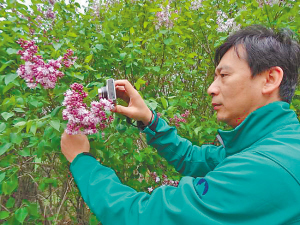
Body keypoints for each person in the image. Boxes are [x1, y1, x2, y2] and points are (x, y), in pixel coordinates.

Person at [61, 25, 300, 224]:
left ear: (270, 79)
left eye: (224, 76)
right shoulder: (273, 143)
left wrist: (81, 160)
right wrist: (149, 119)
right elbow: (194, 158)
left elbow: (143, 217)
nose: (211, 88)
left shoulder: (266, 168)